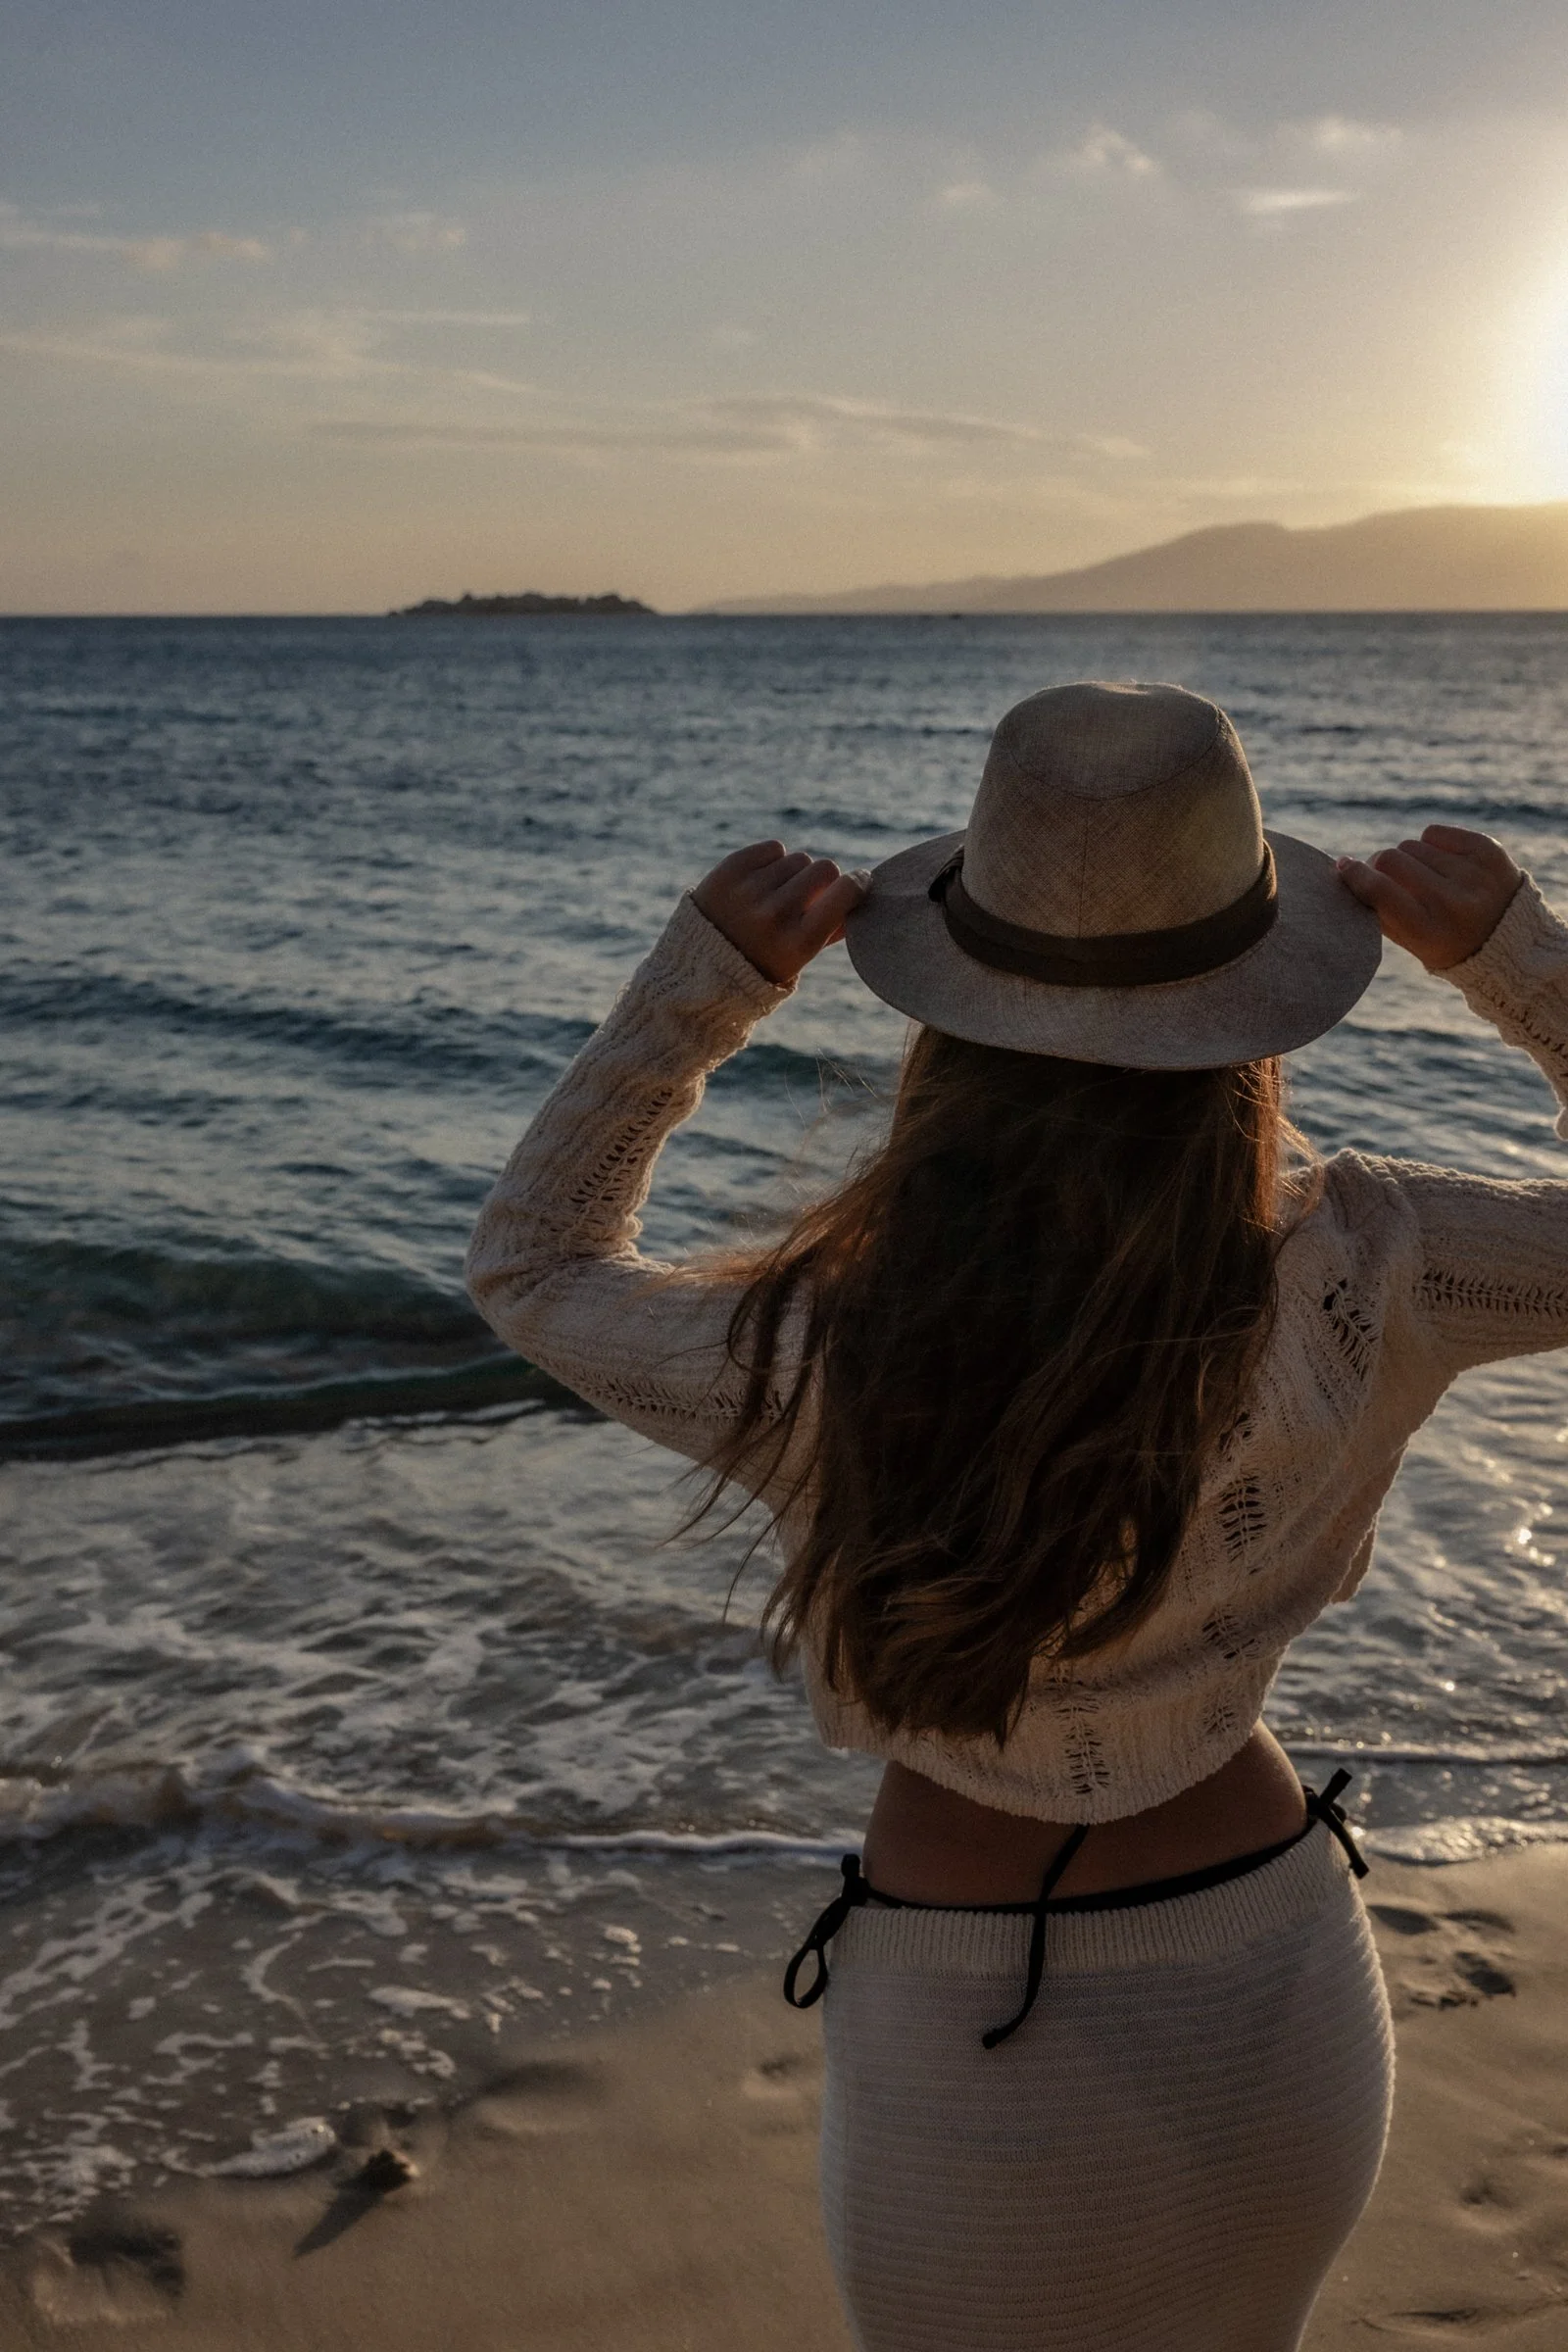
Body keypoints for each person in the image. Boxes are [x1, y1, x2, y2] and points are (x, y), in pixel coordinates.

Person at [466, 681, 1563, 2352]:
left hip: (969, 2013)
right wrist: (1518, 961)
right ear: (1257, 1013)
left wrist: (701, 992)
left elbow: (535, 1266)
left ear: (947, 1023)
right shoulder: (1381, 1268)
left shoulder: (824, 1349)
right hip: (1271, 1961)